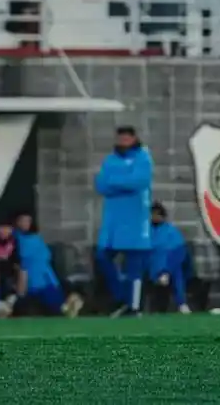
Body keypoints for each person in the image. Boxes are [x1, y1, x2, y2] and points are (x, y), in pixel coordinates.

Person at [95, 126, 153, 318]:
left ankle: (134, 307)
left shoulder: (142, 157)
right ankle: (122, 296)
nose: (123, 140)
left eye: (127, 137)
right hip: (113, 222)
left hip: (135, 221)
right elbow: (101, 184)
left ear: (134, 138)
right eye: (121, 137)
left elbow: (139, 181)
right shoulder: (110, 159)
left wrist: (115, 182)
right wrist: (123, 182)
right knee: (102, 256)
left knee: (134, 266)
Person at [14, 212, 83, 317]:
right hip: (34, 282)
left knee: (56, 308)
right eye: (23, 220)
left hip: (43, 280)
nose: (26, 223)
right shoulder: (17, 238)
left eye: (28, 220)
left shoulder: (34, 239)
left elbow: (43, 258)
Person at [149, 202, 191, 314]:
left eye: (157, 214)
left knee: (177, 270)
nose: (154, 217)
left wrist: (167, 270)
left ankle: (181, 303)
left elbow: (180, 250)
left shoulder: (171, 231)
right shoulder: (146, 231)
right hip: (152, 266)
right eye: (152, 214)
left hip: (169, 265)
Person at [0, 220, 24, 317]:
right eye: (2, 228)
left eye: (7, 229)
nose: (4, 231)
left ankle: (13, 300)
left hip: (8, 272)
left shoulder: (14, 242)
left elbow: (16, 261)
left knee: (23, 272)